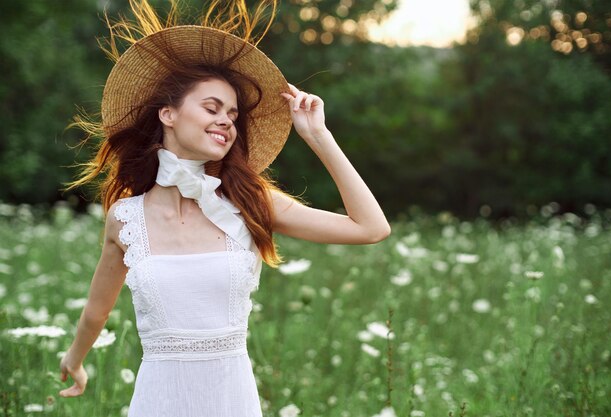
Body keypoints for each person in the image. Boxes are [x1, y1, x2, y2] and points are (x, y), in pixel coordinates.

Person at [58, 0, 390, 415]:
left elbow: (371, 228)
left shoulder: (249, 202)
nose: (226, 121)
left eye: (233, 115)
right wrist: (75, 358)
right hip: (158, 402)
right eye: (212, 108)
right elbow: (96, 310)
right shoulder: (125, 218)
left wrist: (319, 136)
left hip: (232, 401)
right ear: (168, 115)